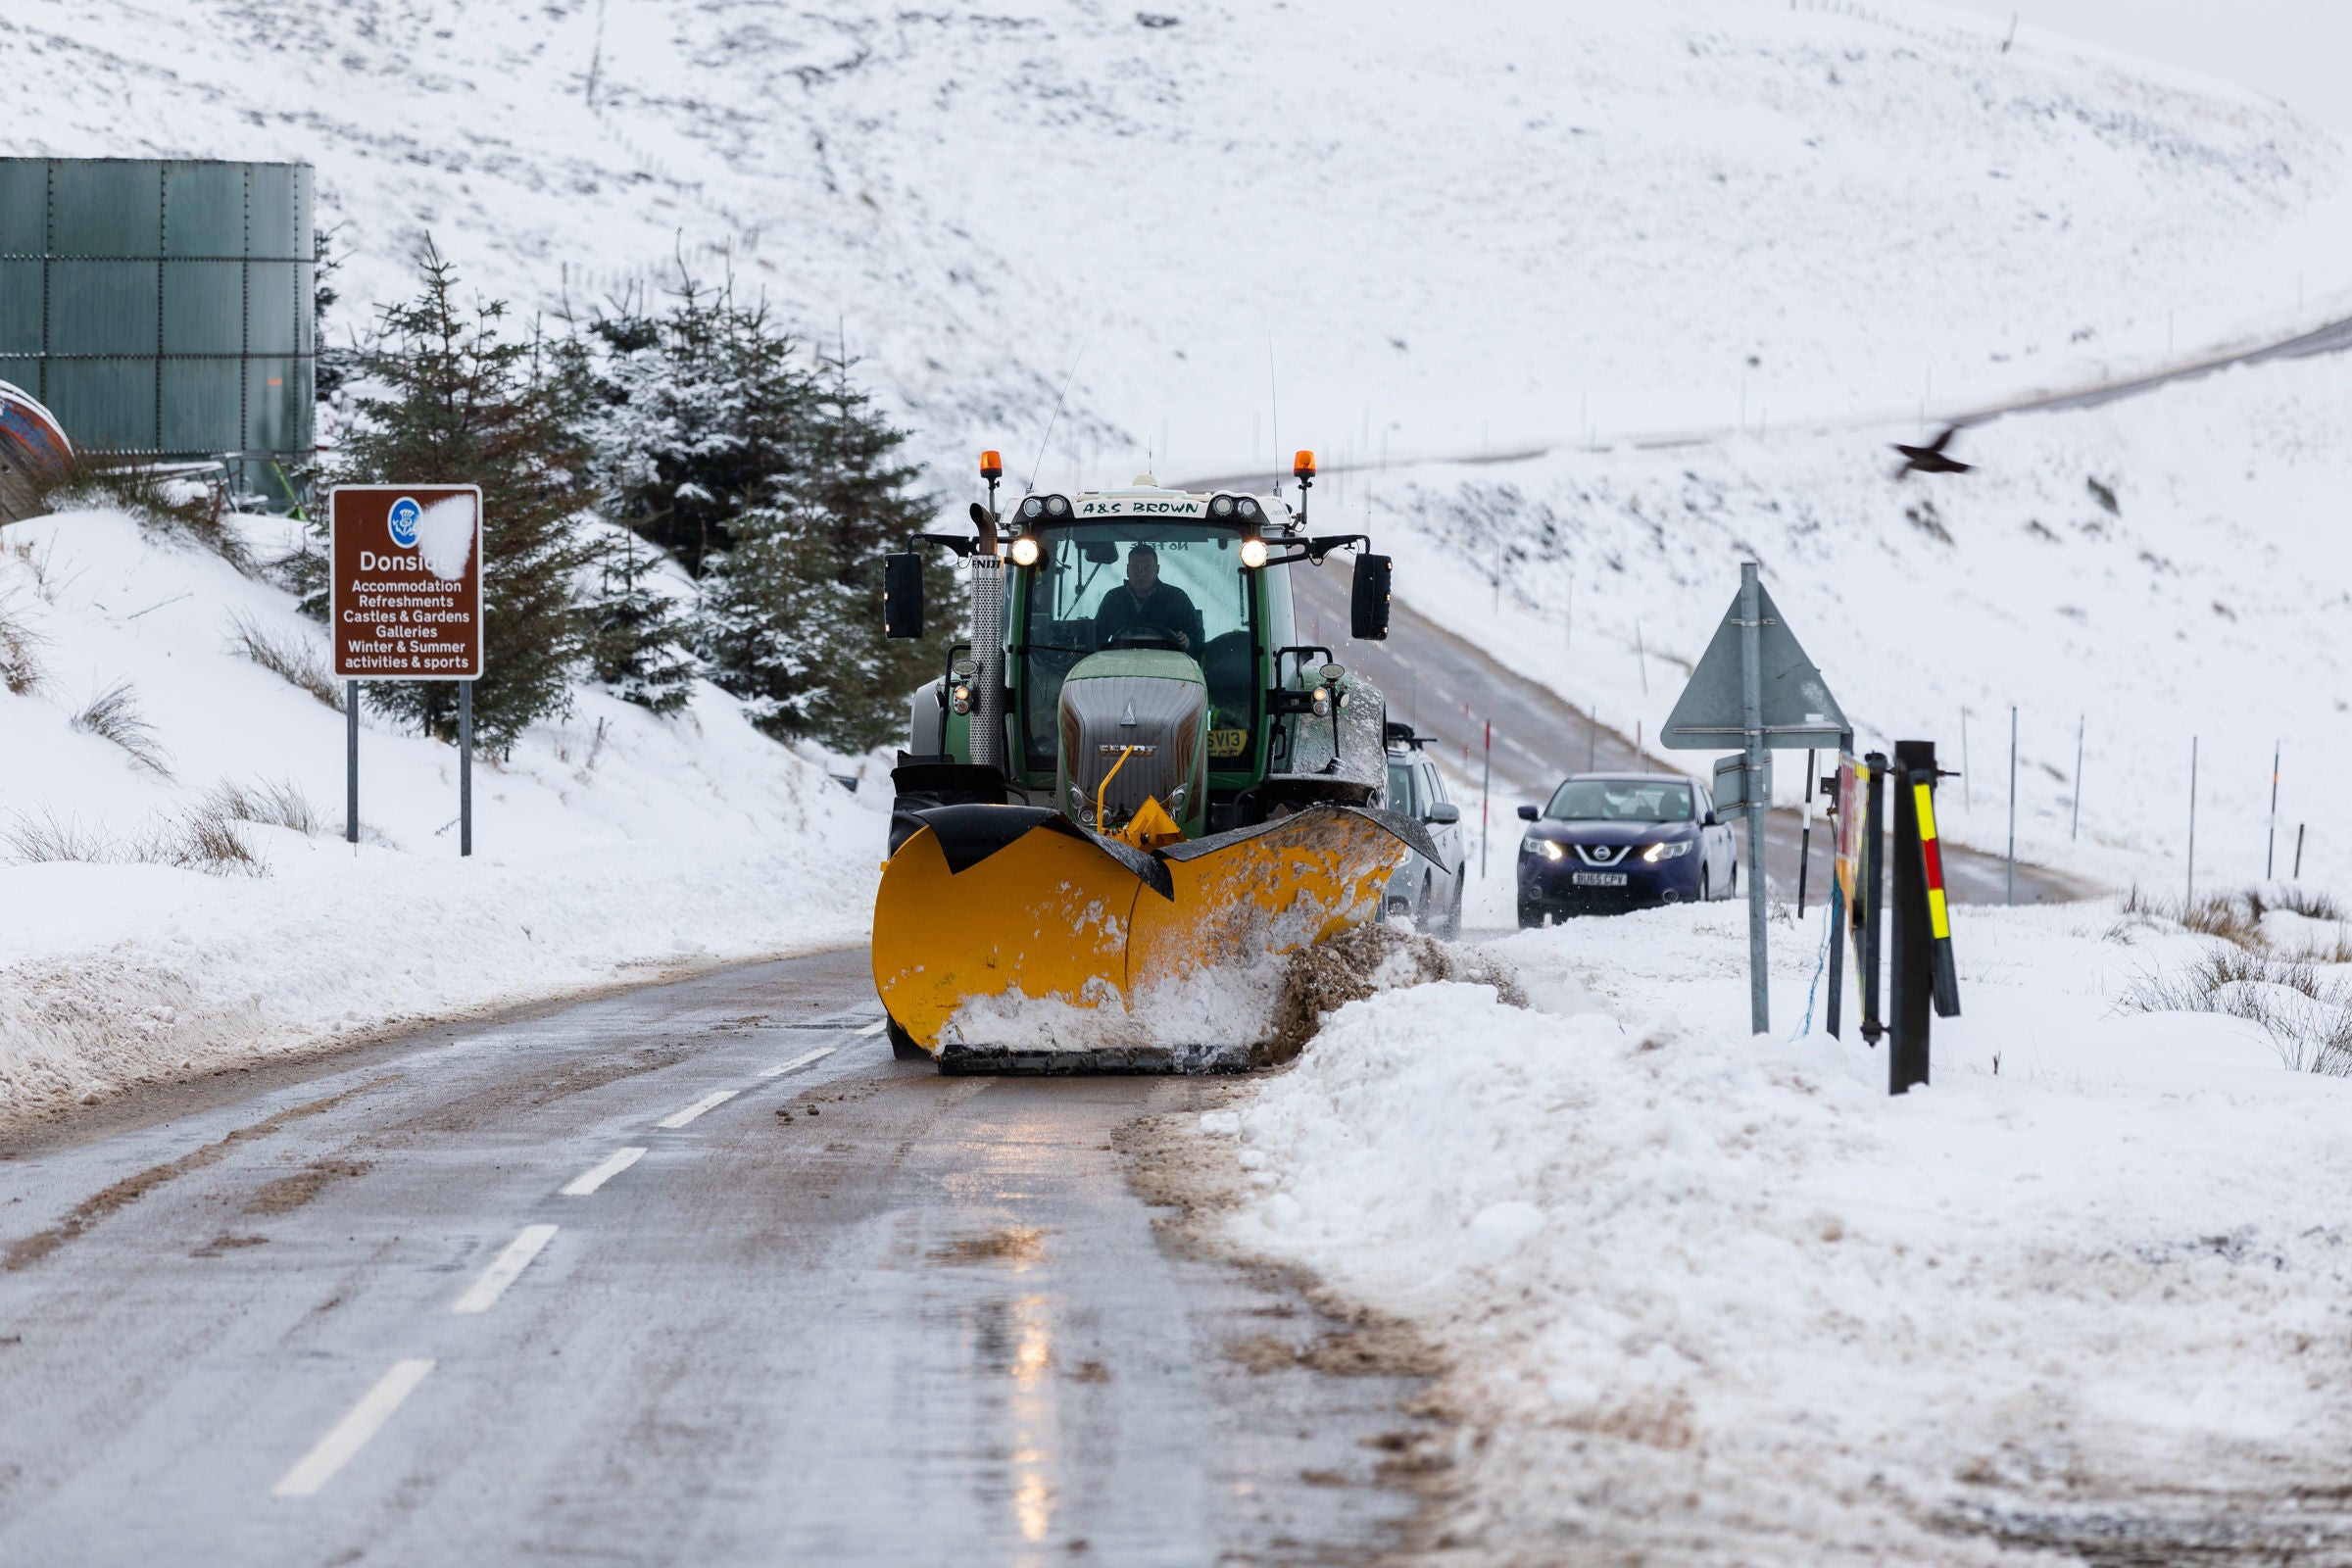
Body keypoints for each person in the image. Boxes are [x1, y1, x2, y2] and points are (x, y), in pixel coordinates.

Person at [1093, 542, 1203, 653]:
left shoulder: (1177, 599)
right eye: (1135, 567)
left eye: (1147, 567)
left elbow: (1198, 640)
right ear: (1127, 570)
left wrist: (1188, 642)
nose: (1141, 573)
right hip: (1119, 665)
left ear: (1157, 570)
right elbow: (1095, 639)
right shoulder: (1113, 599)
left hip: (1168, 666)